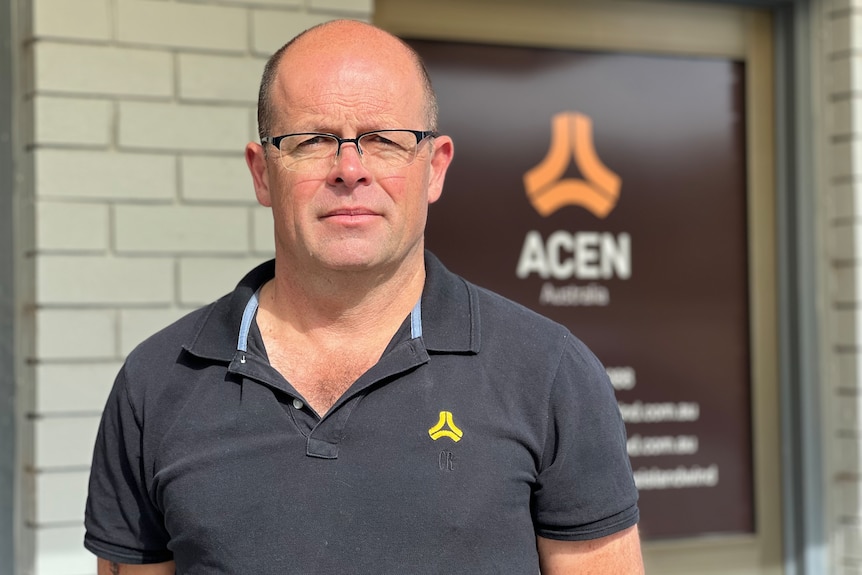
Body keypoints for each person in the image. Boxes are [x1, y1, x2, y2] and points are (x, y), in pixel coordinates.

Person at [84, 19, 643, 575]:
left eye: (383, 140)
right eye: (311, 141)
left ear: (435, 167)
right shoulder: (156, 383)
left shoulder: (548, 373)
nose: (350, 170)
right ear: (261, 173)